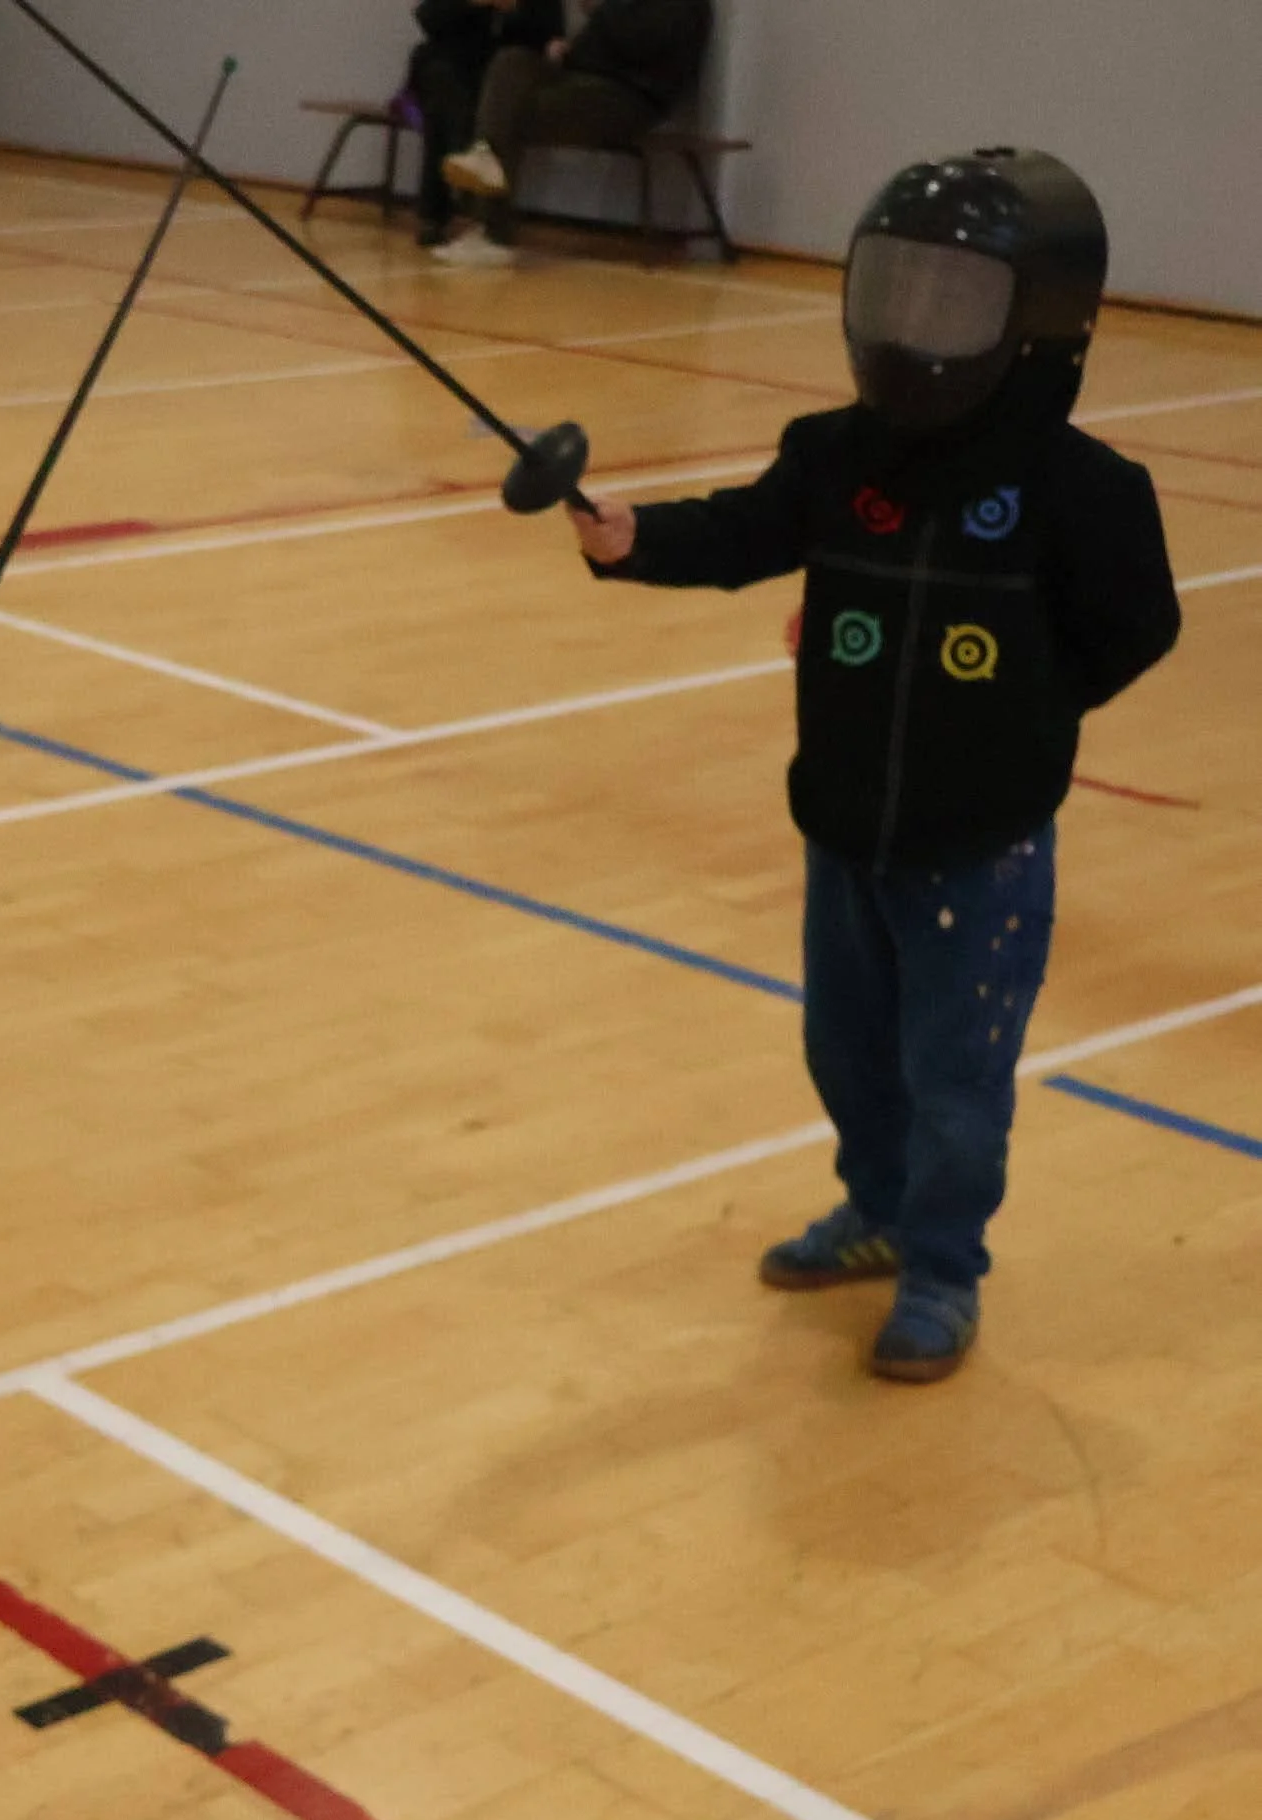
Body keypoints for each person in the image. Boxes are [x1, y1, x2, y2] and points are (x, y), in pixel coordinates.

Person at [567, 150, 1180, 1381]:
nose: (916, 327)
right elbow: (746, 531)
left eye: (954, 301)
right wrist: (636, 540)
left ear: (1039, 323)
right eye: (900, 291)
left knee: (956, 1081)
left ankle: (944, 1269)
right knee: (847, 1051)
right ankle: (880, 1211)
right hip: (843, 829)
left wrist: (1029, 707)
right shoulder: (838, 453)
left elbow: (1137, 626)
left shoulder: (1082, 491)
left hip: (982, 849)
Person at [436, 0, 714, 263]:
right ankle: (485, 161)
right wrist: (565, 50)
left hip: (630, 96)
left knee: (511, 111)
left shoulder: (685, 5)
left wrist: (598, 8)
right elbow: (602, 42)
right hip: (584, 77)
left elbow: (639, 43)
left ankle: (492, 231)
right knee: (511, 62)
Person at [405, 0, 564, 249]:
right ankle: (464, 193)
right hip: (451, 62)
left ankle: (437, 211)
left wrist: (513, 10)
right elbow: (430, 17)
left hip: (500, 71)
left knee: (456, 100)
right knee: (441, 79)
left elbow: (548, 35)